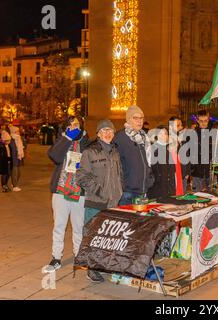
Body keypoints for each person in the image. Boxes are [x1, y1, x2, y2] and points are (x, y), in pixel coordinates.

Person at [76, 119, 123, 283]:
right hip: (96, 203)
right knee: (93, 237)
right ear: (98, 134)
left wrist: (120, 191)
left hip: (113, 202)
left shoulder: (115, 151)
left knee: (108, 238)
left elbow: (119, 175)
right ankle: (92, 269)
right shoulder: (90, 151)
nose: (107, 134)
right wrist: (99, 191)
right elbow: (81, 176)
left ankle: (104, 266)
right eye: (104, 131)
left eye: (110, 130)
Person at [44, 116, 90, 273]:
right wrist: (67, 138)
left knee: (78, 226)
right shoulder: (62, 140)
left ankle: (79, 256)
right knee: (59, 226)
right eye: (71, 124)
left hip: (79, 191)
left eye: (77, 124)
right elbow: (55, 157)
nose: (74, 126)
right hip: (61, 190)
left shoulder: (86, 141)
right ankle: (56, 257)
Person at [114, 106, 154, 205]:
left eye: (141, 118)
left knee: (141, 219)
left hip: (143, 189)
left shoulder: (144, 137)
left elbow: (148, 161)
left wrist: (150, 179)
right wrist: (122, 185)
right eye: (135, 118)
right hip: (127, 191)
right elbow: (114, 164)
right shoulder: (120, 137)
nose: (139, 121)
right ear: (128, 119)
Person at [148, 125, 188, 199]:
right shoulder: (151, 150)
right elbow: (149, 170)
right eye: (161, 134)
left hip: (170, 189)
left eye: (165, 134)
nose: (163, 136)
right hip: (157, 189)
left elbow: (174, 172)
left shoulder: (170, 150)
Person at [190, 110, 213, 192]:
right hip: (197, 171)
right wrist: (191, 168)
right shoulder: (192, 134)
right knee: (197, 197)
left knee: (212, 196)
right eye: (201, 121)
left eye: (205, 121)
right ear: (197, 121)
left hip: (209, 171)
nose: (203, 123)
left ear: (208, 120)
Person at [8, 126, 25, 192]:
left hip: (18, 157)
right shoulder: (11, 139)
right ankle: (14, 186)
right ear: (14, 132)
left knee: (18, 173)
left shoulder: (19, 138)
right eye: (17, 131)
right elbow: (12, 149)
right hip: (13, 157)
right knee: (15, 172)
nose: (19, 132)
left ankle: (13, 184)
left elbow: (23, 146)